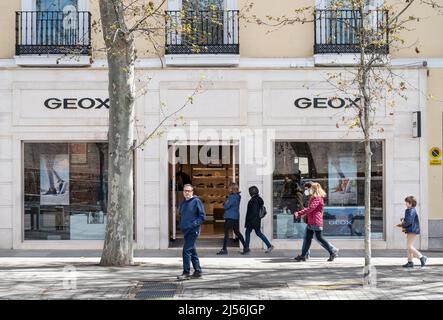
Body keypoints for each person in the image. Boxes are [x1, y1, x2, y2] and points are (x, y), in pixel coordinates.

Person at [293, 182, 338, 262]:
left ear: (314, 189)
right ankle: (303, 255)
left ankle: (332, 252)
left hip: (315, 222)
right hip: (311, 222)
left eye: (310, 189)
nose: (308, 190)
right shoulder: (314, 197)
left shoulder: (317, 198)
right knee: (307, 238)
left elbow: (311, 208)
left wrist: (299, 213)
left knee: (320, 238)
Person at [177, 184, 206, 280]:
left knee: (186, 251)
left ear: (192, 192)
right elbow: (181, 214)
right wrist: (182, 225)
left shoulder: (196, 201)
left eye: (189, 191)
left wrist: (193, 224)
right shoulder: (183, 202)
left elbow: (202, 217)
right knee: (192, 251)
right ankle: (198, 271)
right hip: (186, 230)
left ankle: (186, 273)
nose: (187, 192)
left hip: (193, 230)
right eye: (185, 191)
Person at [396, 196, 427, 268]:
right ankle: (410, 262)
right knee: (409, 246)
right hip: (411, 229)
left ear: (410, 203)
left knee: (409, 246)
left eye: (406, 202)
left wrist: (402, 224)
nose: (405, 204)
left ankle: (421, 257)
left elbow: (409, 221)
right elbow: (409, 220)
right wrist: (403, 220)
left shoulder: (411, 210)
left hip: (412, 230)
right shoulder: (410, 210)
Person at [242, 186, 274, 254]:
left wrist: (249, 221)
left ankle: (246, 248)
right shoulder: (259, 199)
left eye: (250, 191)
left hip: (252, 221)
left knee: (247, 233)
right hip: (256, 220)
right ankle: (269, 245)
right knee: (258, 233)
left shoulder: (253, 200)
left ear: (251, 192)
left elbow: (253, 212)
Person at [216, 183, 247, 255]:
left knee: (226, 233)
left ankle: (224, 249)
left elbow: (226, 206)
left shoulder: (232, 197)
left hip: (230, 217)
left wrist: (224, 204)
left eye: (229, 188)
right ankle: (246, 247)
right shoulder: (238, 196)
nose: (228, 189)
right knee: (237, 232)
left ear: (232, 189)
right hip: (235, 217)